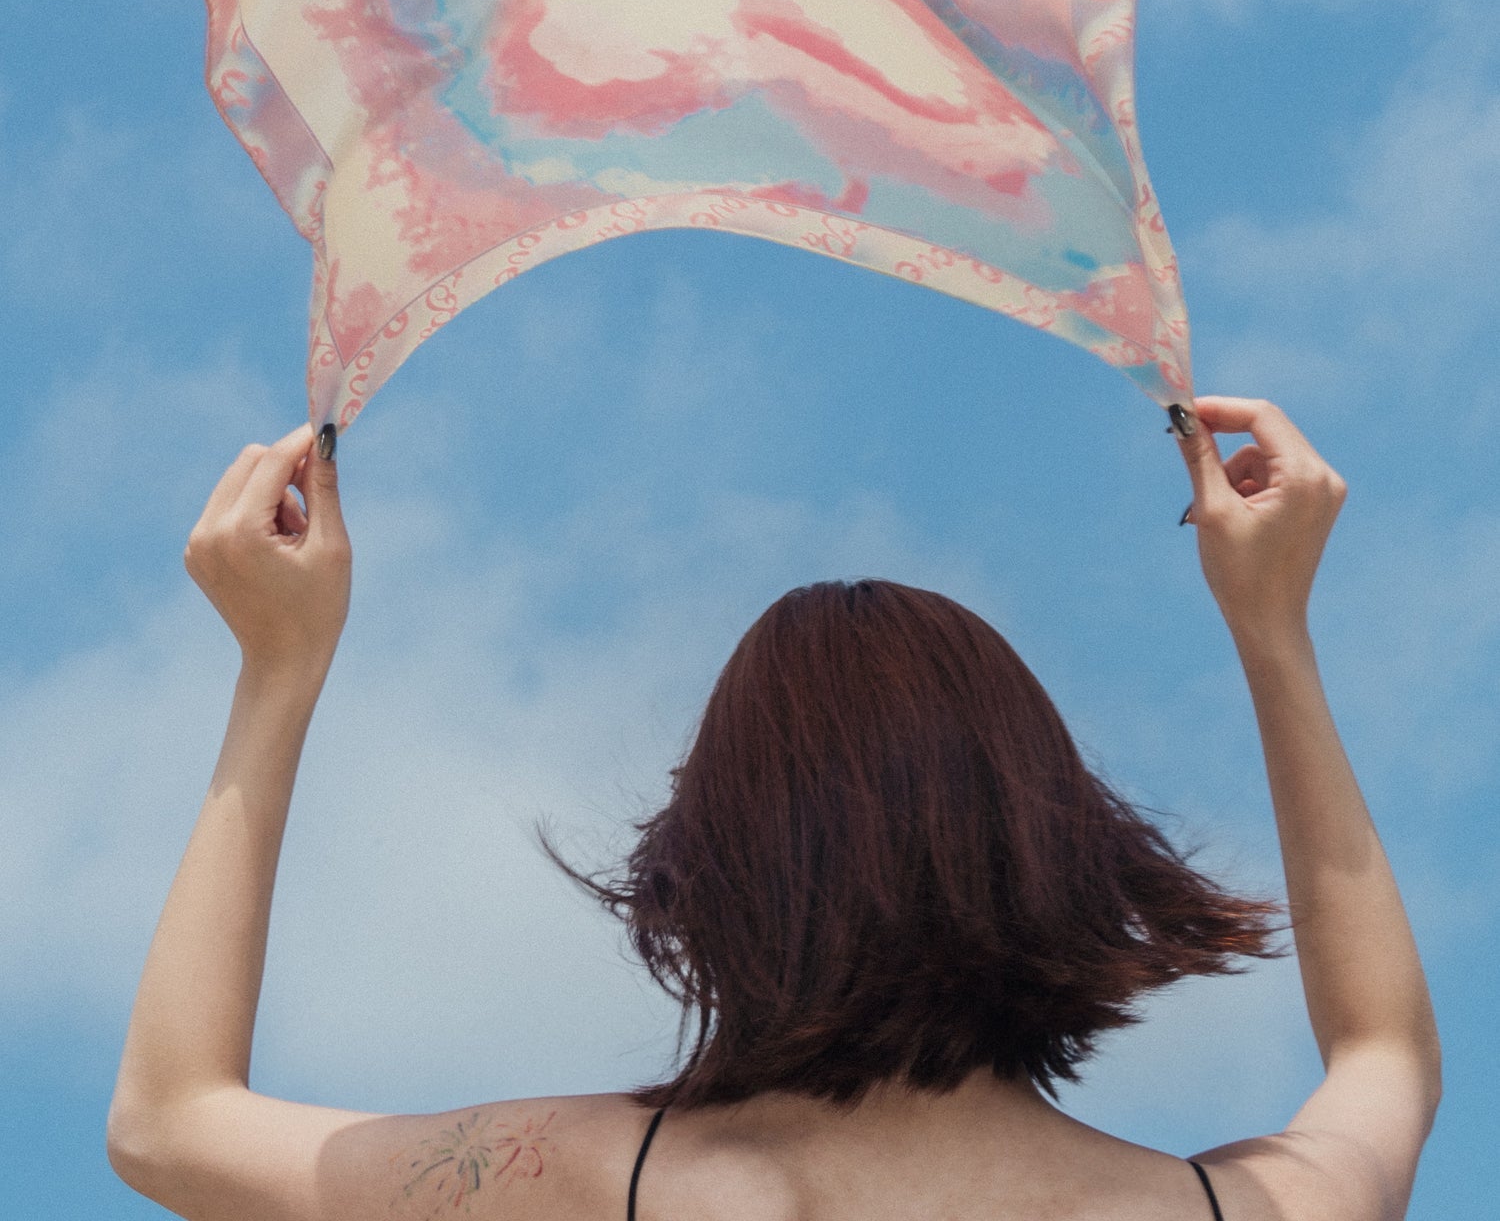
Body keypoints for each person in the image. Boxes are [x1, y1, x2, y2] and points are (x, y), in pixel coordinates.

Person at [106, 397, 1440, 1220]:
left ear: (712, 868)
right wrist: (1273, 632)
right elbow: (1382, 1053)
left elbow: (169, 1122)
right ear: (1052, 839)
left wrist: (278, 671)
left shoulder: (605, 1183)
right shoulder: (1226, 1211)